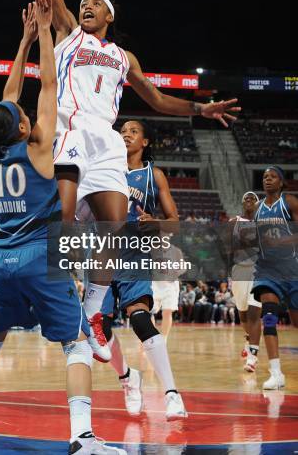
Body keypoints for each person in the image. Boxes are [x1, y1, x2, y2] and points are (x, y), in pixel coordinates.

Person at [22, 0, 241, 343]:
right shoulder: (68, 35)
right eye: (83, 3)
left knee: (116, 235)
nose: (86, 6)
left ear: (109, 15)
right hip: (70, 131)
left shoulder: (124, 57)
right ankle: (57, 301)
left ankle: (93, 312)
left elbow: (159, 101)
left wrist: (201, 108)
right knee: (60, 228)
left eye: (94, 4)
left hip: (106, 141)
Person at [0, 0, 126, 455]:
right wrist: (42, 33)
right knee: (78, 348)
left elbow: (7, 101)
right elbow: (48, 86)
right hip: (41, 259)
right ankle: (82, 437)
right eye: (24, 117)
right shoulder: (40, 150)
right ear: (24, 129)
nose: (26, 113)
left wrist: (20, 43)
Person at [101, 120, 186, 418]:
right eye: (123, 130)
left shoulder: (154, 175)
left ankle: (172, 393)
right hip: (99, 252)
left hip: (134, 254)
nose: (126, 134)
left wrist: (157, 223)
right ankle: (128, 377)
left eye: (134, 131)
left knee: (139, 317)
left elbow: (174, 221)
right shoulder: (103, 167)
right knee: (98, 329)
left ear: (145, 142)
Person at [251, 166, 298, 390]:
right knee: (268, 316)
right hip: (267, 270)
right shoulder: (258, 208)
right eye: (264, 177)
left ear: (281, 182)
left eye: (272, 177)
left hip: (291, 269)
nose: (267, 180)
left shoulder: (289, 202)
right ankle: (276, 372)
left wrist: (281, 242)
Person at [229, 192, 262, 372]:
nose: (249, 201)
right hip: (239, 270)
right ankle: (249, 339)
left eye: (253, 199)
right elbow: (227, 249)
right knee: (243, 315)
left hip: (258, 270)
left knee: (254, 314)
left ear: (257, 204)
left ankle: (252, 357)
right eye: (246, 199)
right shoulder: (234, 222)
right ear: (242, 204)